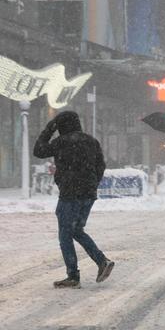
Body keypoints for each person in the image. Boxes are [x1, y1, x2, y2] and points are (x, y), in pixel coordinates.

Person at [33, 111, 114, 288]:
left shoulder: (61, 142)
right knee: (76, 229)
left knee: (65, 233)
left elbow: (38, 151)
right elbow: (101, 165)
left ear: (60, 125)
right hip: (88, 194)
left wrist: (49, 129)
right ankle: (102, 261)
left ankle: (73, 275)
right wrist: (92, 184)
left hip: (70, 193)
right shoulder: (91, 141)